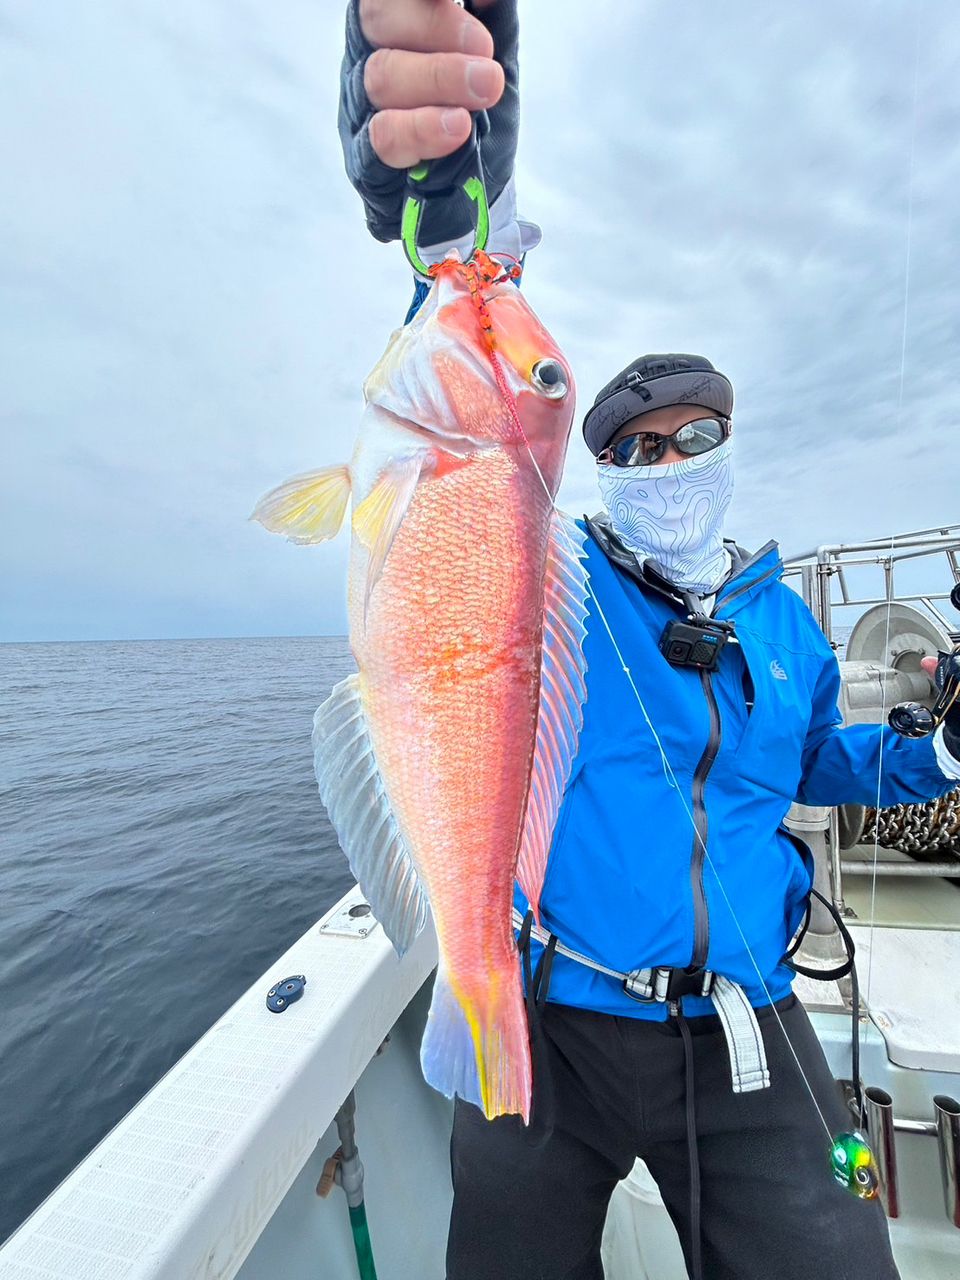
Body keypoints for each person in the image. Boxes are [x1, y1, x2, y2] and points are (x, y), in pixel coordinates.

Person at [338, 4, 960, 1277]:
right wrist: (456, 196)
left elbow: (808, 761)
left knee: (846, 1258)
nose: (663, 460)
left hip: (744, 1023)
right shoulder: (562, 570)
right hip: (552, 1012)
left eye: (691, 437)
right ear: (602, 474)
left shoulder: (783, 621)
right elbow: (478, 428)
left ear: (728, 451)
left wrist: (931, 753)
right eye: (630, 446)